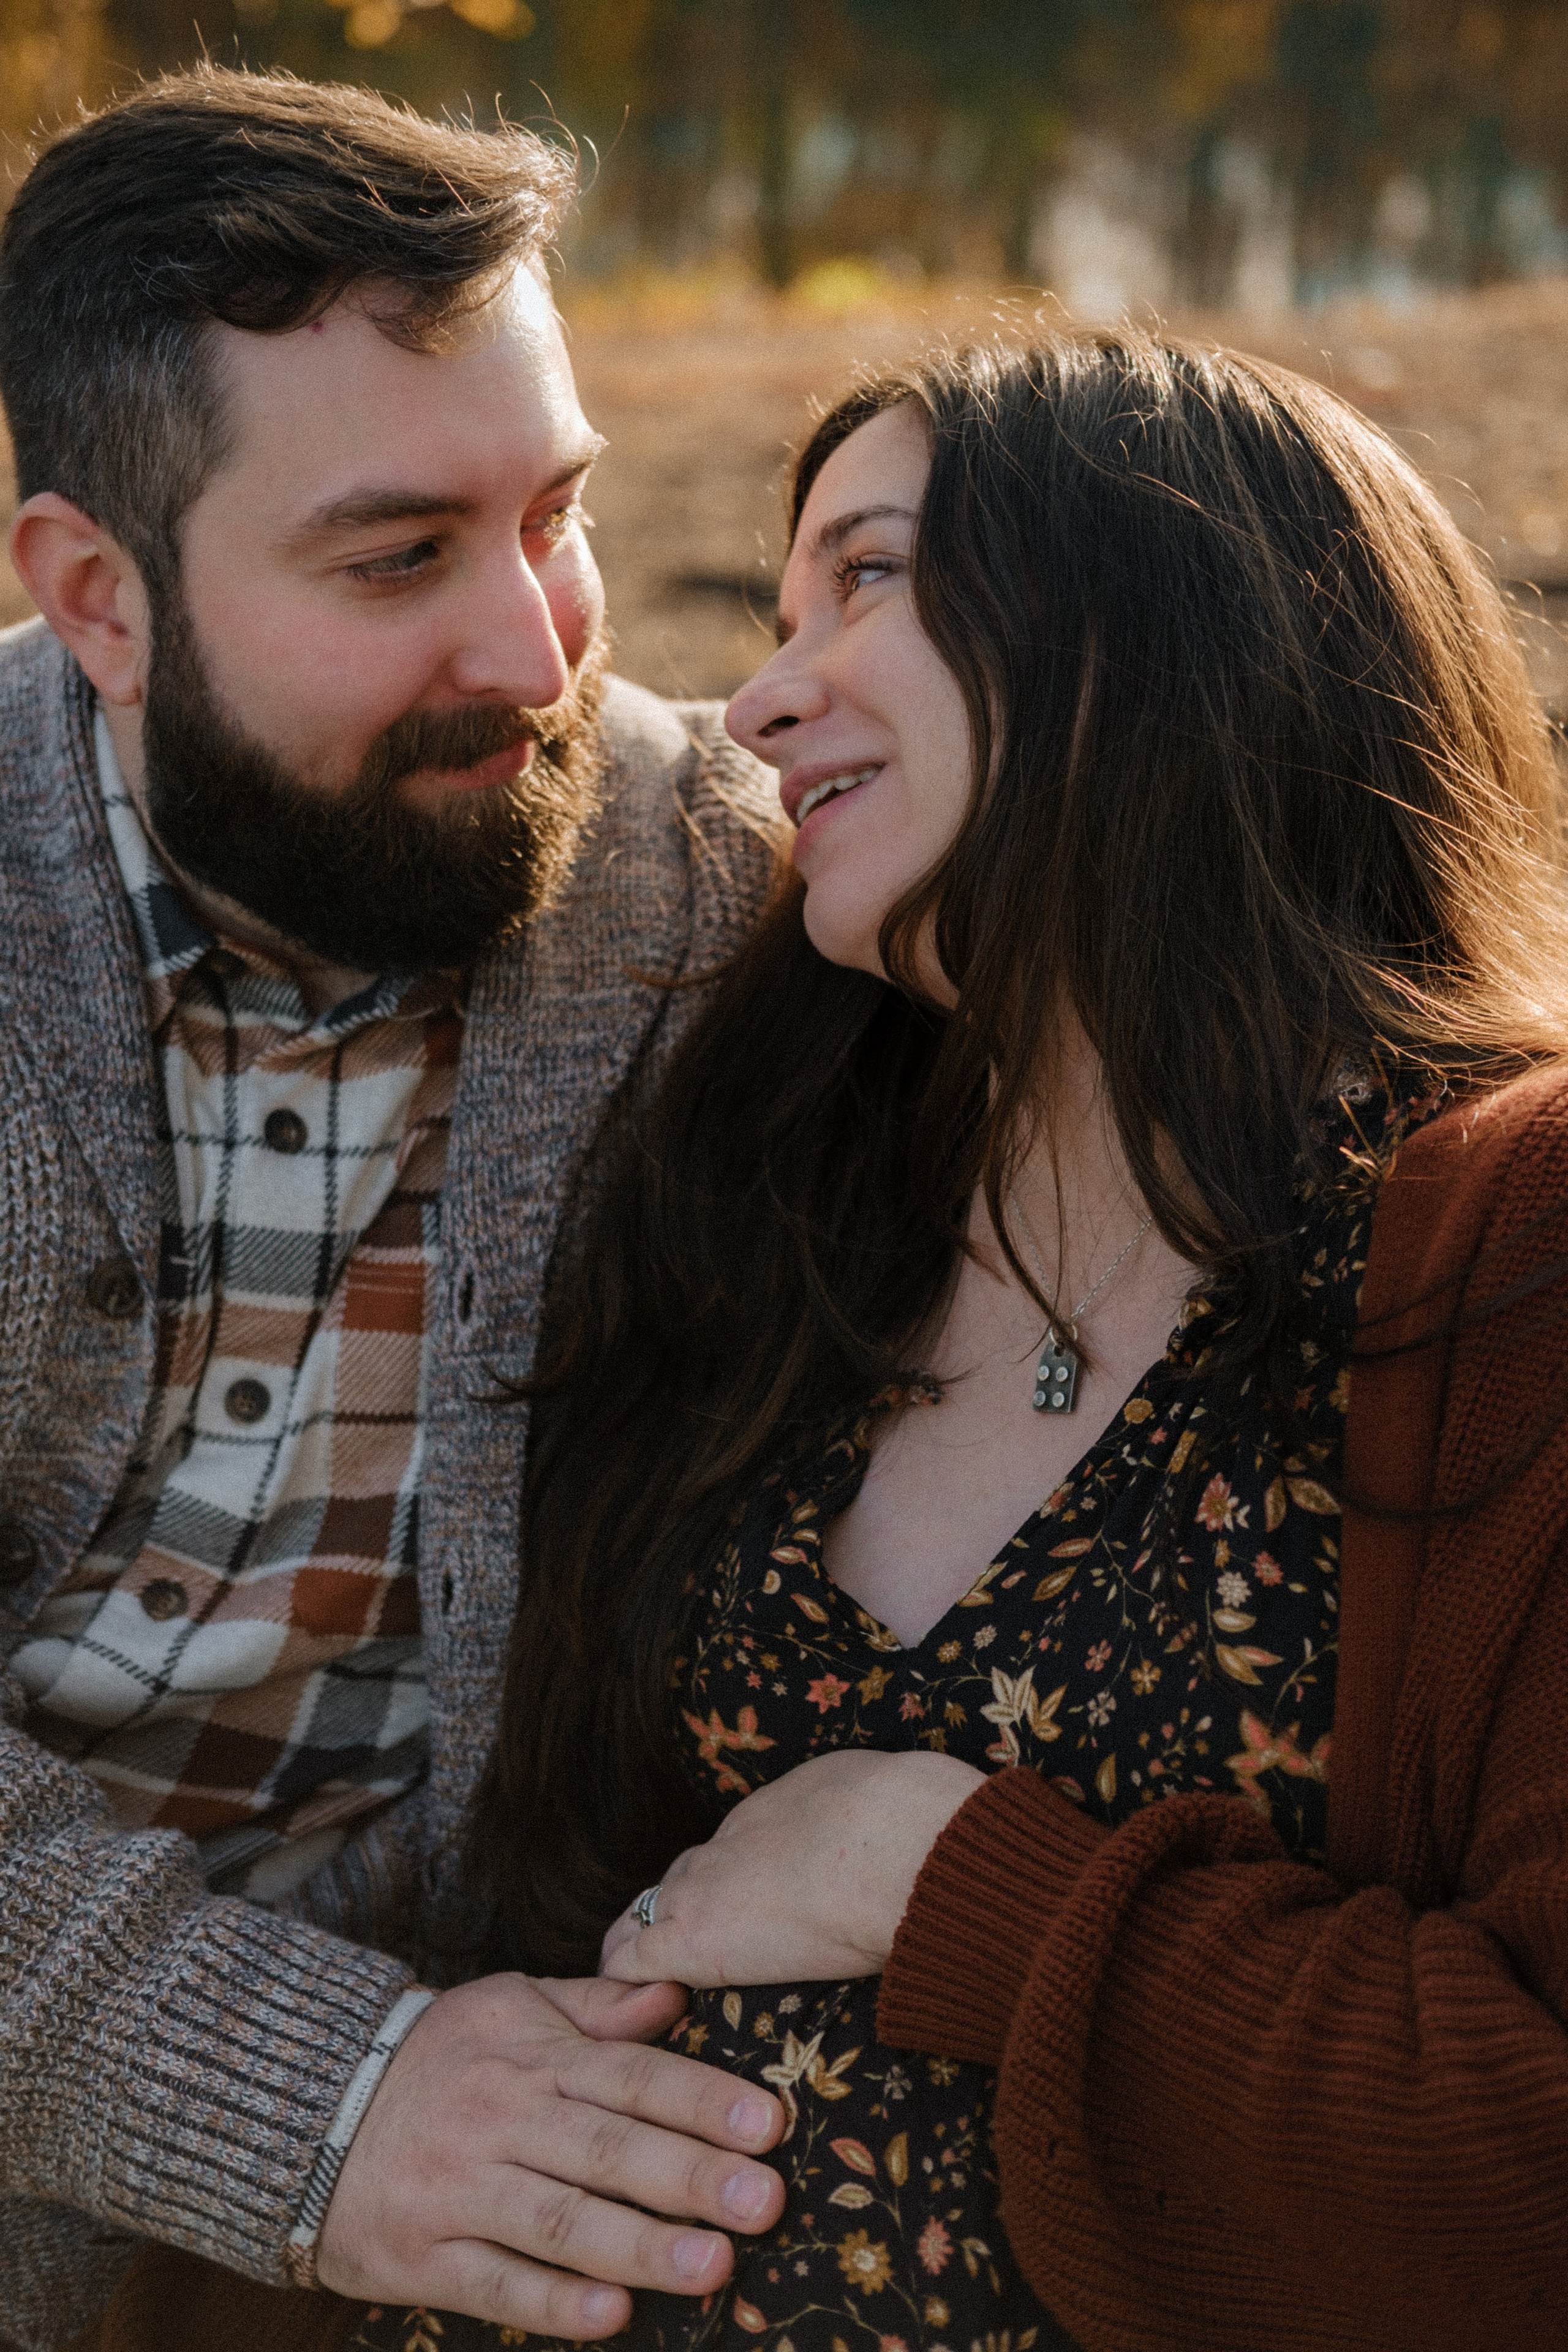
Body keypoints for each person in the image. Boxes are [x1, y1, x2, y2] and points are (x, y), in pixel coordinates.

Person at [337, 328, 1568, 2351]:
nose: (757, 698)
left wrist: (955, 1883)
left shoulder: (1507, 1248)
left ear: (1156, 622)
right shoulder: (791, 1224)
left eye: (873, 579)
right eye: (779, 605)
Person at [0, 65, 799, 2352]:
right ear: (99, 596)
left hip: (546, 2110)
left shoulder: (733, 898)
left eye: (558, 514)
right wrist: (317, 2102)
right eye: (395, 559)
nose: (546, 659)